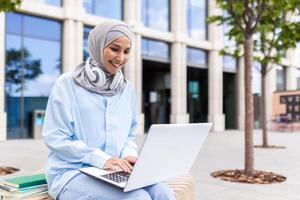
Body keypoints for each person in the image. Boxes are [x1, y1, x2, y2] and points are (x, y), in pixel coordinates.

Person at [42, 20, 176, 200]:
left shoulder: (127, 89)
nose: (121, 58)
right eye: (114, 49)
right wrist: (100, 159)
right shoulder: (67, 84)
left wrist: (129, 155)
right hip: (72, 172)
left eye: (126, 51)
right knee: (138, 198)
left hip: (115, 171)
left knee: (163, 193)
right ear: (97, 46)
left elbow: (129, 134)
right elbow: (55, 137)